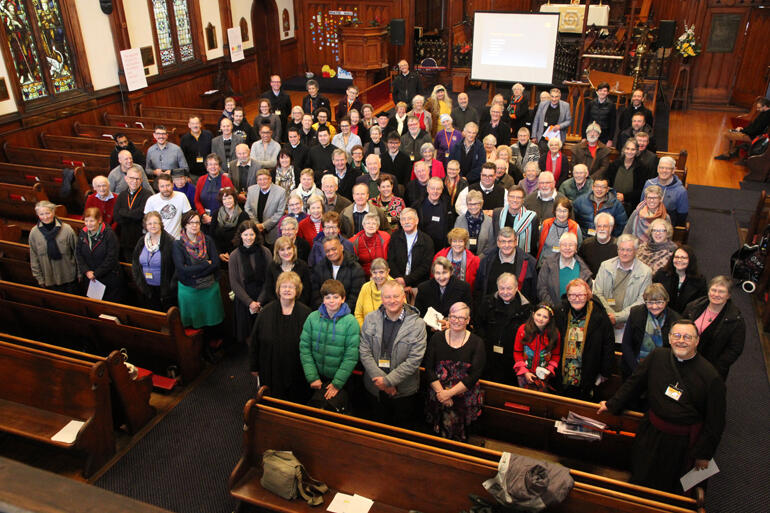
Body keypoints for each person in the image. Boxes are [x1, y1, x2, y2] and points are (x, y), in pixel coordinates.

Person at [597, 319, 725, 493]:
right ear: (670, 338)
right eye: (677, 335)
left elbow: (715, 422)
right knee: (641, 475)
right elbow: (634, 384)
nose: (681, 340)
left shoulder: (710, 376)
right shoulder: (658, 356)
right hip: (651, 431)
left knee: (669, 487)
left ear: (697, 341)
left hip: (680, 443)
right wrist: (612, 404)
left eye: (687, 337)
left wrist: (704, 454)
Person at [359, 280, 427, 427]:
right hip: (374, 387)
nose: (392, 301)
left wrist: (388, 381)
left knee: (400, 432)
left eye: (396, 296)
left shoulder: (418, 324)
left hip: (404, 392)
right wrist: (382, 382)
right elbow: (364, 350)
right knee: (376, 429)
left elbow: (414, 360)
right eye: (388, 297)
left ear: (403, 297)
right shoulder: (370, 319)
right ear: (382, 299)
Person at [425, 301, 486, 441]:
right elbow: (428, 368)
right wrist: (441, 393)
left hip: (463, 401)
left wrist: (449, 393)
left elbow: (474, 375)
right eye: (453, 316)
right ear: (448, 317)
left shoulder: (477, 343)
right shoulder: (436, 338)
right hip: (438, 396)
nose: (457, 321)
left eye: (461, 318)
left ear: (468, 320)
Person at [250, 271, 312, 402]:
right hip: (271, 368)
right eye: (284, 286)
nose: (287, 290)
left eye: (291, 287)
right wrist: (254, 366)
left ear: (297, 290)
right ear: (278, 289)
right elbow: (255, 341)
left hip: (297, 370)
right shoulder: (266, 311)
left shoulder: (306, 314)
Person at [299, 279, 360, 408]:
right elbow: (305, 348)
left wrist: (337, 383)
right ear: (323, 299)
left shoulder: (351, 322)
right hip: (317, 377)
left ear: (343, 299)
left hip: (341, 380)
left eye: (336, 297)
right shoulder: (312, 318)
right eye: (328, 297)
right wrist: (312, 376)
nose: (331, 301)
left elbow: (351, 356)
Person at [555, 278, 615, 399]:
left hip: (588, 372)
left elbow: (608, 344)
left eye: (581, 295)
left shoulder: (599, 315)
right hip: (562, 372)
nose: (576, 299)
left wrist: (605, 372)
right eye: (572, 295)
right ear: (567, 296)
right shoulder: (560, 312)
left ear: (587, 295)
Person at [172, 211, 225, 344]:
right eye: (191, 223)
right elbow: (182, 269)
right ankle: (197, 346)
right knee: (193, 323)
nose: (194, 226)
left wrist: (196, 273)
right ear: (185, 225)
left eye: (197, 222)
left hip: (209, 288)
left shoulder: (208, 240)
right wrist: (206, 264)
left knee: (212, 322)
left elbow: (216, 263)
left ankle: (212, 345)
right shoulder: (178, 244)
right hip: (189, 290)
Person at [682, 276, 746, 379]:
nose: (716, 294)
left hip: (710, 368)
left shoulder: (735, 320)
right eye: (713, 290)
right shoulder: (693, 307)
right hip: (684, 359)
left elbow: (734, 349)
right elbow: (681, 327)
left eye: (721, 292)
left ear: (728, 295)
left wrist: (717, 367)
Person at [474, 273, 532, 384]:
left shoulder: (526, 308)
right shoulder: (488, 302)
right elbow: (479, 325)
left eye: (509, 288)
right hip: (489, 355)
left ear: (516, 288)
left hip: (512, 358)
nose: (505, 292)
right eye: (502, 288)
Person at [593, 234, 653, 338]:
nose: (624, 253)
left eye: (629, 250)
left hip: (630, 323)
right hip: (605, 320)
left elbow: (642, 300)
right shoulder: (605, 266)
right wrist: (610, 316)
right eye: (621, 249)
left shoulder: (646, 272)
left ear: (636, 251)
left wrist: (618, 318)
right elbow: (597, 293)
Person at [620, 283, 680, 379]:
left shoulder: (675, 319)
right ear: (645, 301)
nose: (655, 306)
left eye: (659, 302)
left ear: (666, 301)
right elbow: (626, 344)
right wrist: (637, 370)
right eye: (650, 302)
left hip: (662, 372)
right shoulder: (636, 313)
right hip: (633, 369)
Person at [228, 220, 272, 344]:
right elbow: (234, 283)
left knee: (265, 334)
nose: (249, 238)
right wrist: (250, 303)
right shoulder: (234, 256)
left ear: (256, 235)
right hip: (244, 300)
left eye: (252, 234)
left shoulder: (265, 252)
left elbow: (269, 278)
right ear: (240, 236)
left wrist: (260, 301)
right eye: (245, 235)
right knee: (248, 336)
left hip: (263, 297)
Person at [475, 227, 538, 301]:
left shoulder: (529, 262)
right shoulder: (486, 260)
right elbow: (478, 288)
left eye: (510, 241)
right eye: (503, 241)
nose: (507, 245)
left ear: (515, 242)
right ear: (498, 243)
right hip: (491, 308)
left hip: (518, 309)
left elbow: (534, 292)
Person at [29, 201, 79, 294]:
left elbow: (77, 253)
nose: (45, 217)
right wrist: (39, 278)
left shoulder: (67, 230)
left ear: (53, 212)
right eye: (41, 214)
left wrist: (80, 273)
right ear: (37, 215)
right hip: (49, 279)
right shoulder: (34, 233)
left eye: (48, 213)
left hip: (68, 277)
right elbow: (34, 257)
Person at [76, 207, 123, 302]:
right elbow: (78, 253)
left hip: (108, 277)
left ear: (99, 220)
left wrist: (96, 273)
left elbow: (111, 258)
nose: (88, 224)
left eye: (92, 221)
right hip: (90, 276)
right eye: (86, 221)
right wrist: (86, 271)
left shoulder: (109, 234)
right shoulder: (83, 233)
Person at [131, 211, 176, 311]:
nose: (153, 226)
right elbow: (135, 264)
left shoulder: (170, 242)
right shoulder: (142, 241)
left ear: (161, 224)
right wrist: (140, 283)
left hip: (166, 291)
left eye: (155, 223)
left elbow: (177, 267)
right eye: (150, 223)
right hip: (147, 289)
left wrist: (171, 286)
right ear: (145, 226)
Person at [514, 304, 561, 390]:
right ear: (533, 314)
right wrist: (524, 371)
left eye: (545, 317)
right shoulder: (523, 330)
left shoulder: (554, 333)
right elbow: (517, 352)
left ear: (550, 319)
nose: (540, 319)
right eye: (538, 315)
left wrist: (549, 369)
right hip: (524, 373)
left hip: (544, 376)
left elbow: (556, 355)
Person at [310, 236, 365, 310]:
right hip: (324, 312)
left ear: (341, 248)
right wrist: (325, 311)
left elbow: (355, 296)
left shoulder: (355, 268)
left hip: (347, 313)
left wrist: (341, 312)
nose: (331, 253)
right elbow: (315, 294)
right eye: (327, 251)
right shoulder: (319, 267)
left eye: (333, 249)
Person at [537, 232, 592, 305]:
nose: (567, 248)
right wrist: (555, 309)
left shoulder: (584, 269)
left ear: (576, 248)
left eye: (571, 245)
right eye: (564, 245)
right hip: (552, 311)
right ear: (559, 247)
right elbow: (541, 289)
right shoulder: (547, 264)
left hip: (575, 312)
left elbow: (587, 294)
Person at [416, 255, 473, 325]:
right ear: (433, 273)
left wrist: (449, 323)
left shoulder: (464, 287)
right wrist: (431, 325)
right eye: (438, 273)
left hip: (455, 327)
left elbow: (468, 314)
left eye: (444, 272)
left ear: (451, 272)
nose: (441, 277)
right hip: (429, 330)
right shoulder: (423, 288)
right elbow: (418, 315)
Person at [387, 208, 435, 290]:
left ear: (417, 221)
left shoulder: (427, 240)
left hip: (418, 285)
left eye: (409, 219)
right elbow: (391, 260)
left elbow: (425, 266)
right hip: (397, 282)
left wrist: (406, 280)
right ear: (401, 223)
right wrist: (400, 279)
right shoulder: (394, 237)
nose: (406, 222)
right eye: (403, 219)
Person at [653, 244, 707, 314]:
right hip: (661, 314)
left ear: (690, 260)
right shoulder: (661, 274)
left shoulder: (699, 280)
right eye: (676, 257)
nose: (679, 260)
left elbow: (700, 304)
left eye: (683, 258)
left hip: (686, 319)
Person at [114, 166, 153, 260]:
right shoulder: (121, 195)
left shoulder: (147, 195)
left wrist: (124, 213)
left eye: (137, 179)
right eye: (131, 178)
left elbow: (141, 214)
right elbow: (117, 217)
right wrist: (132, 215)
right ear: (126, 178)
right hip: (125, 238)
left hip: (141, 238)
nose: (134, 181)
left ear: (141, 180)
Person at [262, 236, 312, 307]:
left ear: (294, 249)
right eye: (282, 250)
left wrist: (295, 306)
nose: (286, 252)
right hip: (277, 306)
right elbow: (269, 291)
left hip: (299, 306)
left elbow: (307, 292)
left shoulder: (303, 266)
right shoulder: (272, 267)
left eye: (289, 248)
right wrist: (279, 306)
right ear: (277, 252)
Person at [715, 97, 770, 161]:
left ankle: (726, 155)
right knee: (729, 131)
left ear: (765, 106)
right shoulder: (765, 112)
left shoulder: (766, 116)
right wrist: (742, 129)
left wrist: (741, 130)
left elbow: (755, 130)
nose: (757, 109)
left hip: (752, 137)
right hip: (751, 133)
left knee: (726, 134)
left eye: (759, 108)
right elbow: (753, 126)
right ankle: (732, 152)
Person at [492, 185, 539, 256]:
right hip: (499, 255)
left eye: (519, 198)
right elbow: (494, 238)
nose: (515, 200)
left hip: (521, 257)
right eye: (512, 197)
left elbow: (533, 244)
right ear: (507, 198)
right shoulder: (497, 213)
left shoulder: (532, 217)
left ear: (523, 200)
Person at [245, 169, 288, 246]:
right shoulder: (251, 190)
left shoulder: (281, 192)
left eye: (265, 179)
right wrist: (256, 224)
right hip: (255, 231)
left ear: (270, 179)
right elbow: (247, 209)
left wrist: (263, 226)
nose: (262, 182)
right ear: (257, 181)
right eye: (260, 179)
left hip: (272, 231)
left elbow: (280, 212)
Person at [641, 157, 689, 226]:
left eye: (668, 168)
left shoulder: (681, 191)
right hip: (647, 223)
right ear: (657, 169)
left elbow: (682, 216)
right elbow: (642, 205)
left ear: (673, 170)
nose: (664, 170)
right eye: (661, 167)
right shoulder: (649, 184)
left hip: (667, 227)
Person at [193, 154, 235, 231]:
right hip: (204, 219)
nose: (213, 167)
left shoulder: (226, 180)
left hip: (222, 220)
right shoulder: (201, 180)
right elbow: (197, 201)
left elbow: (231, 202)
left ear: (219, 167)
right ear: (207, 167)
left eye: (216, 164)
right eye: (210, 164)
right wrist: (203, 215)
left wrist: (215, 218)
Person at [144, 173, 192, 239]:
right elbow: (147, 222)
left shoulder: (182, 197)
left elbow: (188, 218)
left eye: (168, 185)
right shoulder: (151, 200)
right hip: (157, 239)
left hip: (177, 239)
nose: (165, 189)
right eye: (162, 186)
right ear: (158, 187)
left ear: (173, 184)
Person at [537, 197, 583, 261]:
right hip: (545, 263)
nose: (562, 214)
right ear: (554, 211)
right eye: (559, 210)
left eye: (565, 211)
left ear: (569, 212)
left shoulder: (575, 227)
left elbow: (579, 247)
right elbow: (539, 244)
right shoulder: (546, 224)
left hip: (566, 263)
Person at [210, 187, 249, 261]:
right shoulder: (216, 214)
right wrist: (219, 253)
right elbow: (212, 236)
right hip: (219, 254)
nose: (227, 201)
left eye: (230, 198)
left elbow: (244, 238)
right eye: (224, 199)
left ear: (234, 199)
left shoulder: (243, 215)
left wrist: (231, 254)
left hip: (238, 254)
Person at [355, 258, 394, 326]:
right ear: (370, 272)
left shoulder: (395, 288)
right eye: (375, 272)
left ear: (388, 272)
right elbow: (358, 314)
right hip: (366, 331)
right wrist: (365, 330)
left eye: (381, 272)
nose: (378, 276)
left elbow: (401, 314)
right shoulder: (365, 287)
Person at [455, 189, 494, 256]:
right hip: (463, 258)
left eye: (476, 204)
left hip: (483, 260)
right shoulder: (459, 220)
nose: (473, 207)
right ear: (467, 205)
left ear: (481, 204)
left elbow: (491, 244)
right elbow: (456, 241)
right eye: (470, 204)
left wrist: (478, 259)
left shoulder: (489, 221)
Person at [350, 212, 391, 277]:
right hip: (362, 276)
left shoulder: (385, 237)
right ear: (363, 225)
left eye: (374, 223)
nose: (371, 226)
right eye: (368, 223)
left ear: (377, 226)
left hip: (382, 275)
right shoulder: (354, 241)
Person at [415, 177, 449, 253]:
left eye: (438, 189)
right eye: (432, 188)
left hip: (441, 249)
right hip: (423, 248)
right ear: (427, 189)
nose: (435, 191)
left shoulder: (448, 206)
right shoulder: (418, 206)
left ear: (442, 190)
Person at [261, 74, 292, 139]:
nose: (276, 84)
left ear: (280, 83)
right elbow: (261, 110)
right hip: (269, 123)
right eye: (274, 82)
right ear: (271, 83)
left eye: (278, 82)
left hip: (283, 123)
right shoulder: (265, 96)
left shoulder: (286, 96)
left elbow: (288, 109)